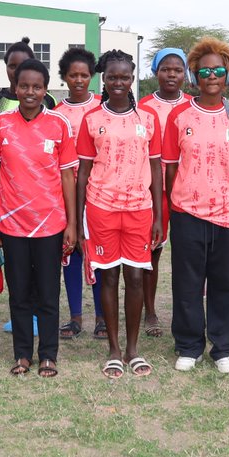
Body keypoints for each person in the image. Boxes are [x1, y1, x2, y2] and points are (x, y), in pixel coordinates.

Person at [163, 39, 229, 374]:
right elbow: (171, 167)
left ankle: (224, 347)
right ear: (194, 76)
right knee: (187, 284)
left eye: (218, 70)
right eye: (204, 71)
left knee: (226, 283)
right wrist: (179, 203)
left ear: (228, 75)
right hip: (187, 213)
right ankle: (189, 345)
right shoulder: (179, 115)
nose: (211, 76)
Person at [0, 58, 78, 377]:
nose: (29, 92)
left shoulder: (59, 124)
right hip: (11, 225)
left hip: (50, 224)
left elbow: (67, 178)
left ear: (45, 89)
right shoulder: (0, 124)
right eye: (24, 86)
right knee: (20, 293)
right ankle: (22, 354)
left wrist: (71, 224)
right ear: (15, 87)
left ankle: (48, 354)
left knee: (48, 294)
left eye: (36, 87)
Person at [77, 49, 162, 378]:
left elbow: (156, 168)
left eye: (124, 77)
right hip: (101, 208)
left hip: (139, 209)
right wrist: (79, 217)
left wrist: (158, 216)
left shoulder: (148, 119)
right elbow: (83, 172)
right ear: (104, 78)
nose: (118, 82)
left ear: (132, 79)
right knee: (109, 277)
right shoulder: (92, 119)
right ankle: (114, 350)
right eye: (112, 76)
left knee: (136, 277)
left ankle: (133, 349)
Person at [53, 47, 104, 339]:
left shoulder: (102, 107)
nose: (79, 80)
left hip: (98, 192)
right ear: (65, 77)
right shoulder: (57, 114)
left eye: (84, 75)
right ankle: (75, 317)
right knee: (70, 251)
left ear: (92, 76)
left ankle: (101, 317)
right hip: (67, 193)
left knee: (97, 254)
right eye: (73, 75)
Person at [138, 47, 187, 337]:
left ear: (185, 74)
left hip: (187, 192)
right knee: (152, 252)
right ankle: (150, 311)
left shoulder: (194, 104)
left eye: (177, 70)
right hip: (152, 191)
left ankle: (186, 311)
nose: (171, 74)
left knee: (187, 255)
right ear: (156, 72)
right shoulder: (143, 106)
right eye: (166, 69)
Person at [0, 37, 56, 126]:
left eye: (23, 65)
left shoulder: (47, 100)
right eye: (12, 66)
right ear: (6, 67)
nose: (18, 71)